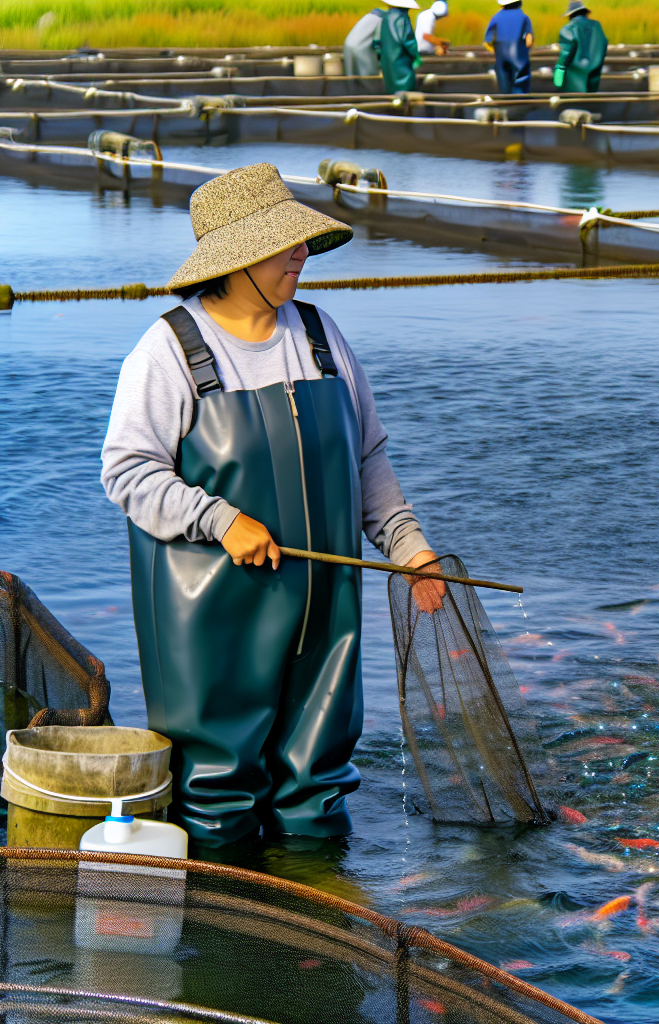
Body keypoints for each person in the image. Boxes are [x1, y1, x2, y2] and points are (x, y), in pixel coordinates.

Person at [101, 163, 444, 845]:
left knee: (315, 800)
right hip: (214, 632)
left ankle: (326, 923)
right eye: (284, 243)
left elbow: (367, 457)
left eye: (300, 240)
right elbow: (127, 472)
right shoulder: (170, 351)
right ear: (234, 261)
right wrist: (220, 520)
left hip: (327, 624)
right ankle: (230, 936)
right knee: (216, 806)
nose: (301, 254)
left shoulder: (319, 336)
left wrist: (410, 548)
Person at [553, 0, 607, 94]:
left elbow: (566, 52)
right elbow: (604, 45)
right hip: (594, 74)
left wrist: (560, 68)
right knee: (591, 101)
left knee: (575, 103)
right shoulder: (597, 26)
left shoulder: (568, 29)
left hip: (574, 76)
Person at [484, 0, 533, 95]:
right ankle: (519, 101)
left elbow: (488, 41)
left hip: (501, 52)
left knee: (503, 81)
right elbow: (529, 40)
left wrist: (494, 50)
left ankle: (505, 101)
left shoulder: (496, 17)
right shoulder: (523, 17)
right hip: (518, 53)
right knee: (520, 80)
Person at [374, 0, 422, 93]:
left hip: (387, 62)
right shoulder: (402, 19)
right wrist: (416, 56)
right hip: (401, 60)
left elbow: (377, 41)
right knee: (405, 87)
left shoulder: (385, 18)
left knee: (391, 86)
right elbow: (409, 41)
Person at [343, 7, 385, 78]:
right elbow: (377, 42)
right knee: (368, 79)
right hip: (361, 48)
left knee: (351, 78)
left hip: (348, 45)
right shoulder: (381, 20)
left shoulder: (367, 18)